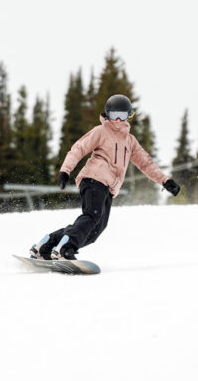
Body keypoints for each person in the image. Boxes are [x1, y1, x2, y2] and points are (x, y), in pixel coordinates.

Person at [29, 94, 180, 261]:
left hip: (109, 187)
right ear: (107, 115)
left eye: (121, 115)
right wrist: (65, 170)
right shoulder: (101, 131)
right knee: (91, 216)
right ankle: (66, 247)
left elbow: (146, 163)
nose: (116, 120)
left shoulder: (130, 141)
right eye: (113, 115)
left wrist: (165, 181)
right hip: (94, 179)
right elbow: (79, 148)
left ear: (129, 116)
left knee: (95, 230)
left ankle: (48, 245)